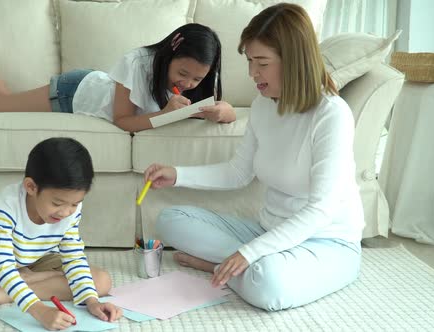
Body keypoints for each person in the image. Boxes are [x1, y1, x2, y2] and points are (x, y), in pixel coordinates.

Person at [143, 3, 364, 311]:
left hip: (327, 242)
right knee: (170, 219)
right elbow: (237, 173)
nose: (252, 73)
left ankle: (221, 265)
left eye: (261, 62)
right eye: (249, 61)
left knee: (269, 285)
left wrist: (249, 253)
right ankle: (239, 267)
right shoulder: (263, 106)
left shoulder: (332, 114)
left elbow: (321, 210)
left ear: (294, 60)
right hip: (268, 232)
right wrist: (178, 174)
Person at [0, 11, 236, 133]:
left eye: (196, 79)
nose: (188, 83)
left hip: (89, 84)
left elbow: (226, 109)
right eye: (184, 73)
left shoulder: (198, 77)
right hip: (74, 94)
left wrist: (218, 111)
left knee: (3, 97)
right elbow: (123, 121)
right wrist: (164, 115)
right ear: (173, 45)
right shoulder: (137, 62)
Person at [0, 137, 122, 330]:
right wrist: (40, 310)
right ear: (31, 187)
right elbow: (2, 264)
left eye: (75, 204)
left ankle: (9, 291)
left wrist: (92, 302)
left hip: (38, 259)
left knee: (101, 281)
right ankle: (21, 281)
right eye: (57, 203)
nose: (66, 212)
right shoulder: (6, 205)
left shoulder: (69, 208)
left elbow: (73, 256)